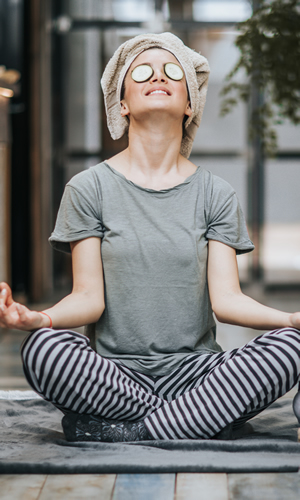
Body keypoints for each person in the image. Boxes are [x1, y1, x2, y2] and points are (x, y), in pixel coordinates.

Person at [0, 32, 300, 443]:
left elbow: (227, 301)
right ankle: (200, 420)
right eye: (141, 71)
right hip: (115, 377)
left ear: (190, 102)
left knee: (289, 346)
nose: (157, 76)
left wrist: (290, 320)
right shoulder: (88, 189)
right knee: (42, 350)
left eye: (172, 71)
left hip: (197, 374)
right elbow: (89, 298)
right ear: (121, 104)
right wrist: (39, 319)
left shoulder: (216, 193)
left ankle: (133, 430)